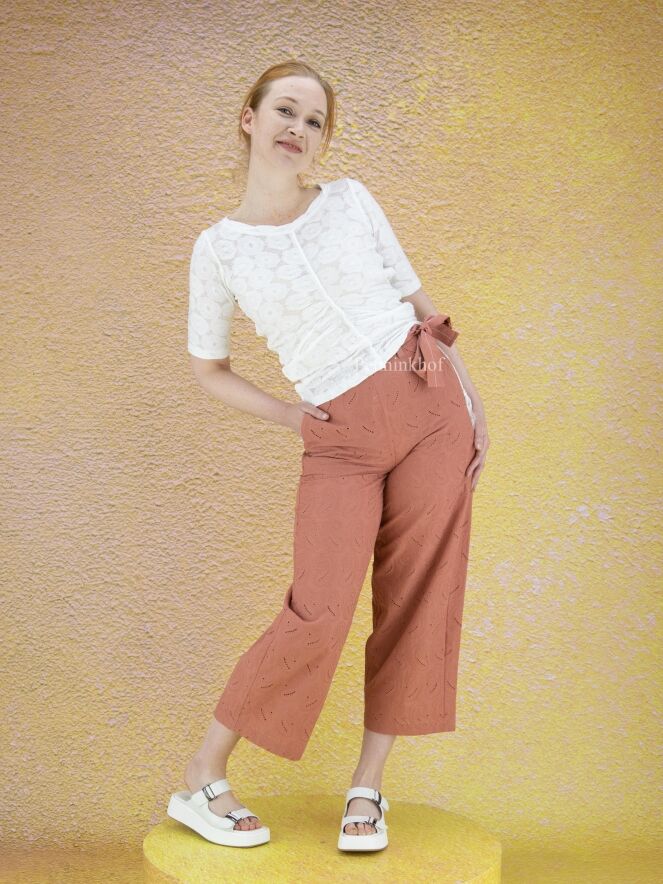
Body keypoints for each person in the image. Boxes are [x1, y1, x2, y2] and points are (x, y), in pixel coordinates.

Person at [168, 60, 489, 851]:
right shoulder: (219, 249)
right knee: (317, 612)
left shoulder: (350, 200)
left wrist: (473, 406)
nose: (298, 129)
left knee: (418, 597)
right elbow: (208, 368)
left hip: (432, 409)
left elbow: (419, 304)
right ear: (248, 118)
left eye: (314, 121)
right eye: (284, 110)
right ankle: (201, 776)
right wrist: (288, 415)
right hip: (338, 436)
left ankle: (367, 788)